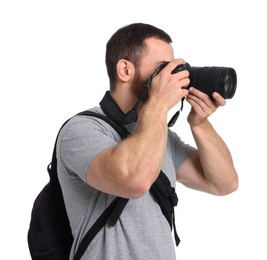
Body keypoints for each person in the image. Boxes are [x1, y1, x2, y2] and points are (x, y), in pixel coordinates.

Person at [56, 22, 238, 260]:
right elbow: (135, 180)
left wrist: (200, 124)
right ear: (125, 70)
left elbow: (224, 183)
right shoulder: (81, 130)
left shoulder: (161, 135)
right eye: (163, 68)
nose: (171, 77)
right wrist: (159, 104)